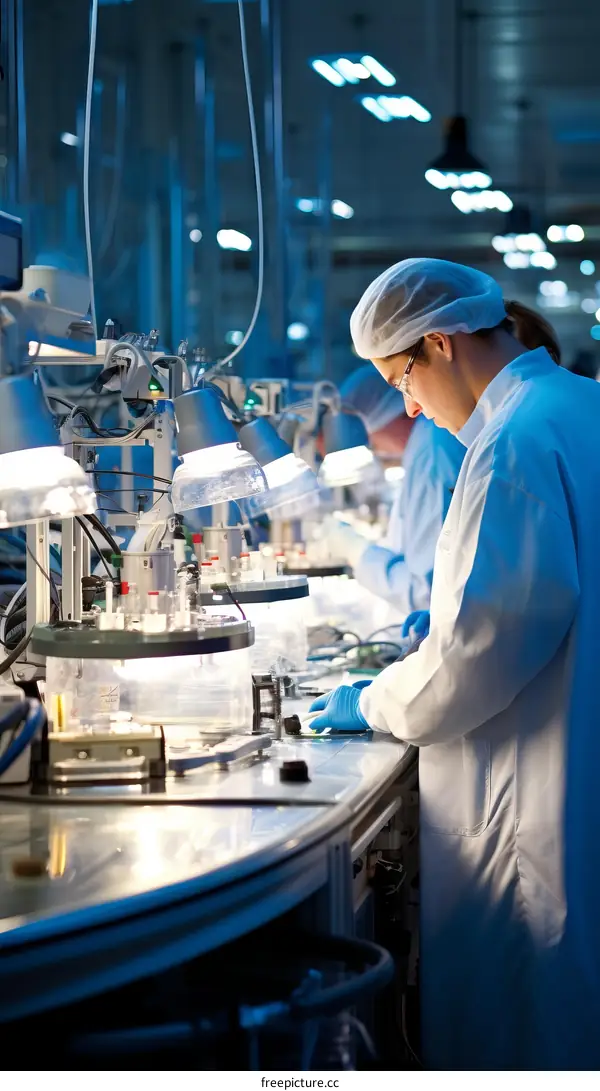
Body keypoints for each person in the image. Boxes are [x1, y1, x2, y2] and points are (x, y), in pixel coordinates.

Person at [309, 257, 600, 1070]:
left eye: (400, 379)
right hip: (579, 759)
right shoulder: (581, 404)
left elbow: (479, 651)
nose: (407, 406)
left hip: (531, 796)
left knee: (530, 1025)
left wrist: (375, 699)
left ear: (439, 342)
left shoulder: (513, 444)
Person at [322, 365, 465, 622]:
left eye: (371, 437)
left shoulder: (432, 455)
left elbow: (425, 591)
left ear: (384, 416)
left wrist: (359, 552)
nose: (374, 447)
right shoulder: (426, 444)